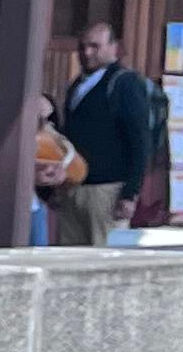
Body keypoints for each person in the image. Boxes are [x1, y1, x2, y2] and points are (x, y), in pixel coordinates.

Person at [47, 18, 159, 246]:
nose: (87, 53)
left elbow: (139, 140)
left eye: (95, 46)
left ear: (113, 48)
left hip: (108, 192)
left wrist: (130, 193)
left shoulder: (125, 84)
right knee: (69, 258)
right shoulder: (77, 84)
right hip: (74, 185)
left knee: (103, 257)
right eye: (83, 46)